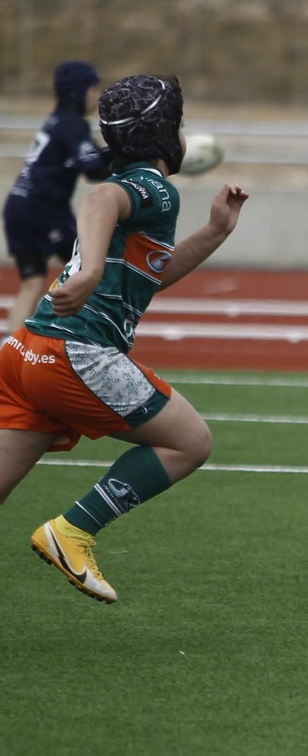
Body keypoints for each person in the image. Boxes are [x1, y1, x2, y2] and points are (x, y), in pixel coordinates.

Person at [0, 74, 249, 603]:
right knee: (191, 441)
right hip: (75, 354)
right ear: (164, 134)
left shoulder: (150, 194)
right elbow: (98, 200)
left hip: (26, 353)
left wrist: (213, 233)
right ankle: (71, 531)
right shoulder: (152, 185)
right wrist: (89, 272)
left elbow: (149, 274)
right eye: (179, 125)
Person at [5, 61, 111, 330]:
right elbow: (93, 167)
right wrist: (131, 158)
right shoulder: (72, 124)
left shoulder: (56, 122)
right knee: (92, 268)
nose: (97, 95)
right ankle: (84, 338)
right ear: (77, 92)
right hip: (43, 209)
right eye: (93, 88)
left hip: (18, 204)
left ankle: (8, 353)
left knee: (33, 282)